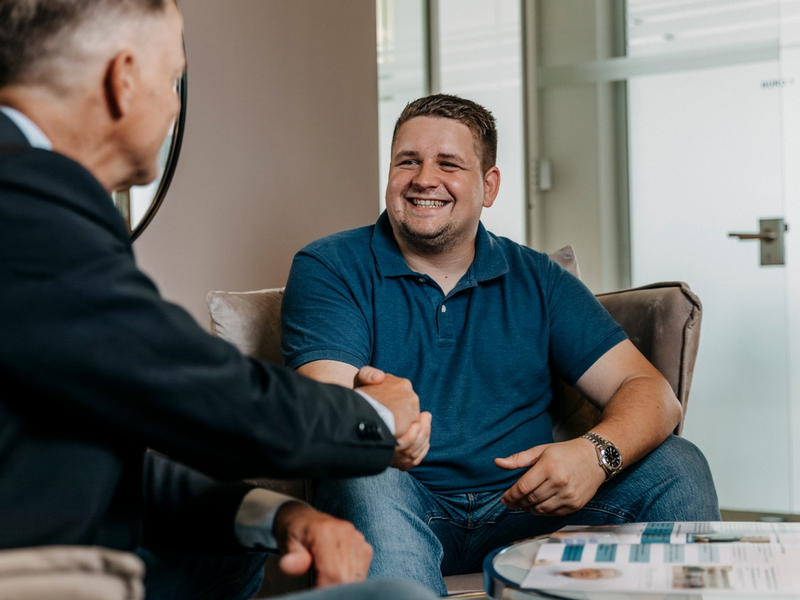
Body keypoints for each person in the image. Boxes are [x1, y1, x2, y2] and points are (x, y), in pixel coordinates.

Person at [0, 2, 438, 599]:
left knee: (232, 552)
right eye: (173, 77)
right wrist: (378, 416)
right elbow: (191, 387)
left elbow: (92, 454)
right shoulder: (23, 201)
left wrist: (278, 514)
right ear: (123, 78)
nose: (176, 104)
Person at [281, 93, 721, 595]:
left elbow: (650, 391)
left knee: (679, 463)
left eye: (448, 164)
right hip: (400, 501)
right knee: (362, 472)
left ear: (488, 185)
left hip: (528, 508)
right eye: (408, 161)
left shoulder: (539, 278)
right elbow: (325, 406)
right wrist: (372, 420)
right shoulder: (331, 266)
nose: (424, 179)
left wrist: (593, 455)